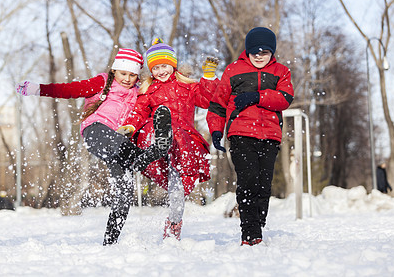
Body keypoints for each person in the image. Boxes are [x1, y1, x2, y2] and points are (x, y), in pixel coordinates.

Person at [15, 48, 172, 245]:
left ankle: (110, 241)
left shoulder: (138, 92)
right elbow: (71, 89)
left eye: (132, 75)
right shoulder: (103, 82)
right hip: (96, 131)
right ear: (115, 71)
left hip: (121, 143)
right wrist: (39, 89)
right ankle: (146, 156)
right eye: (123, 73)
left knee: (125, 193)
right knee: (119, 144)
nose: (127, 79)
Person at [119, 38, 219, 240]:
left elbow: (208, 100)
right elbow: (138, 113)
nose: (160, 71)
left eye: (164, 66)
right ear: (150, 71)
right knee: (150, 127)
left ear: (172, 65)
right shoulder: (148, 92)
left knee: (177, 192)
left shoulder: (188, 87)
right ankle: (159, 139)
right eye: (155, 68)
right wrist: (130, 126)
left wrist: (208, 76)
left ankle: (173, 225)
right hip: (156, 141)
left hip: (182, 143)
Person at [206, 27, 294, 246]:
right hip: (241, 133)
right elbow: (218, 104)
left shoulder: (281, 72)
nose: (259, 55)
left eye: (264, 52)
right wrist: (216, 130)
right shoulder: (233, 70)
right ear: (248, 50)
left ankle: (258, 223)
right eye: (255, 51)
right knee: (248, 181)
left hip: (271, 135)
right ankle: (250, 232)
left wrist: (257, 96)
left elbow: (285, 97)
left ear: (272, 52)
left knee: (264, 184)